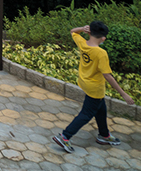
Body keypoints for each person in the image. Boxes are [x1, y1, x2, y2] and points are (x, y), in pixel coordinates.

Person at [52, 21, 135, 153]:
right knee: (86, 114)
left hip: (85, 82)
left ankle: (104, 135)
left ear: (89, 32)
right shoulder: (101, 53)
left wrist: (81, 29)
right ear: (103, 38)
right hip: (95, 88)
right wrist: (123, 94)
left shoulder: (82, 43)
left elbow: (73, 31)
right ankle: (65, 136)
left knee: (101, 109)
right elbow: (107, 75)